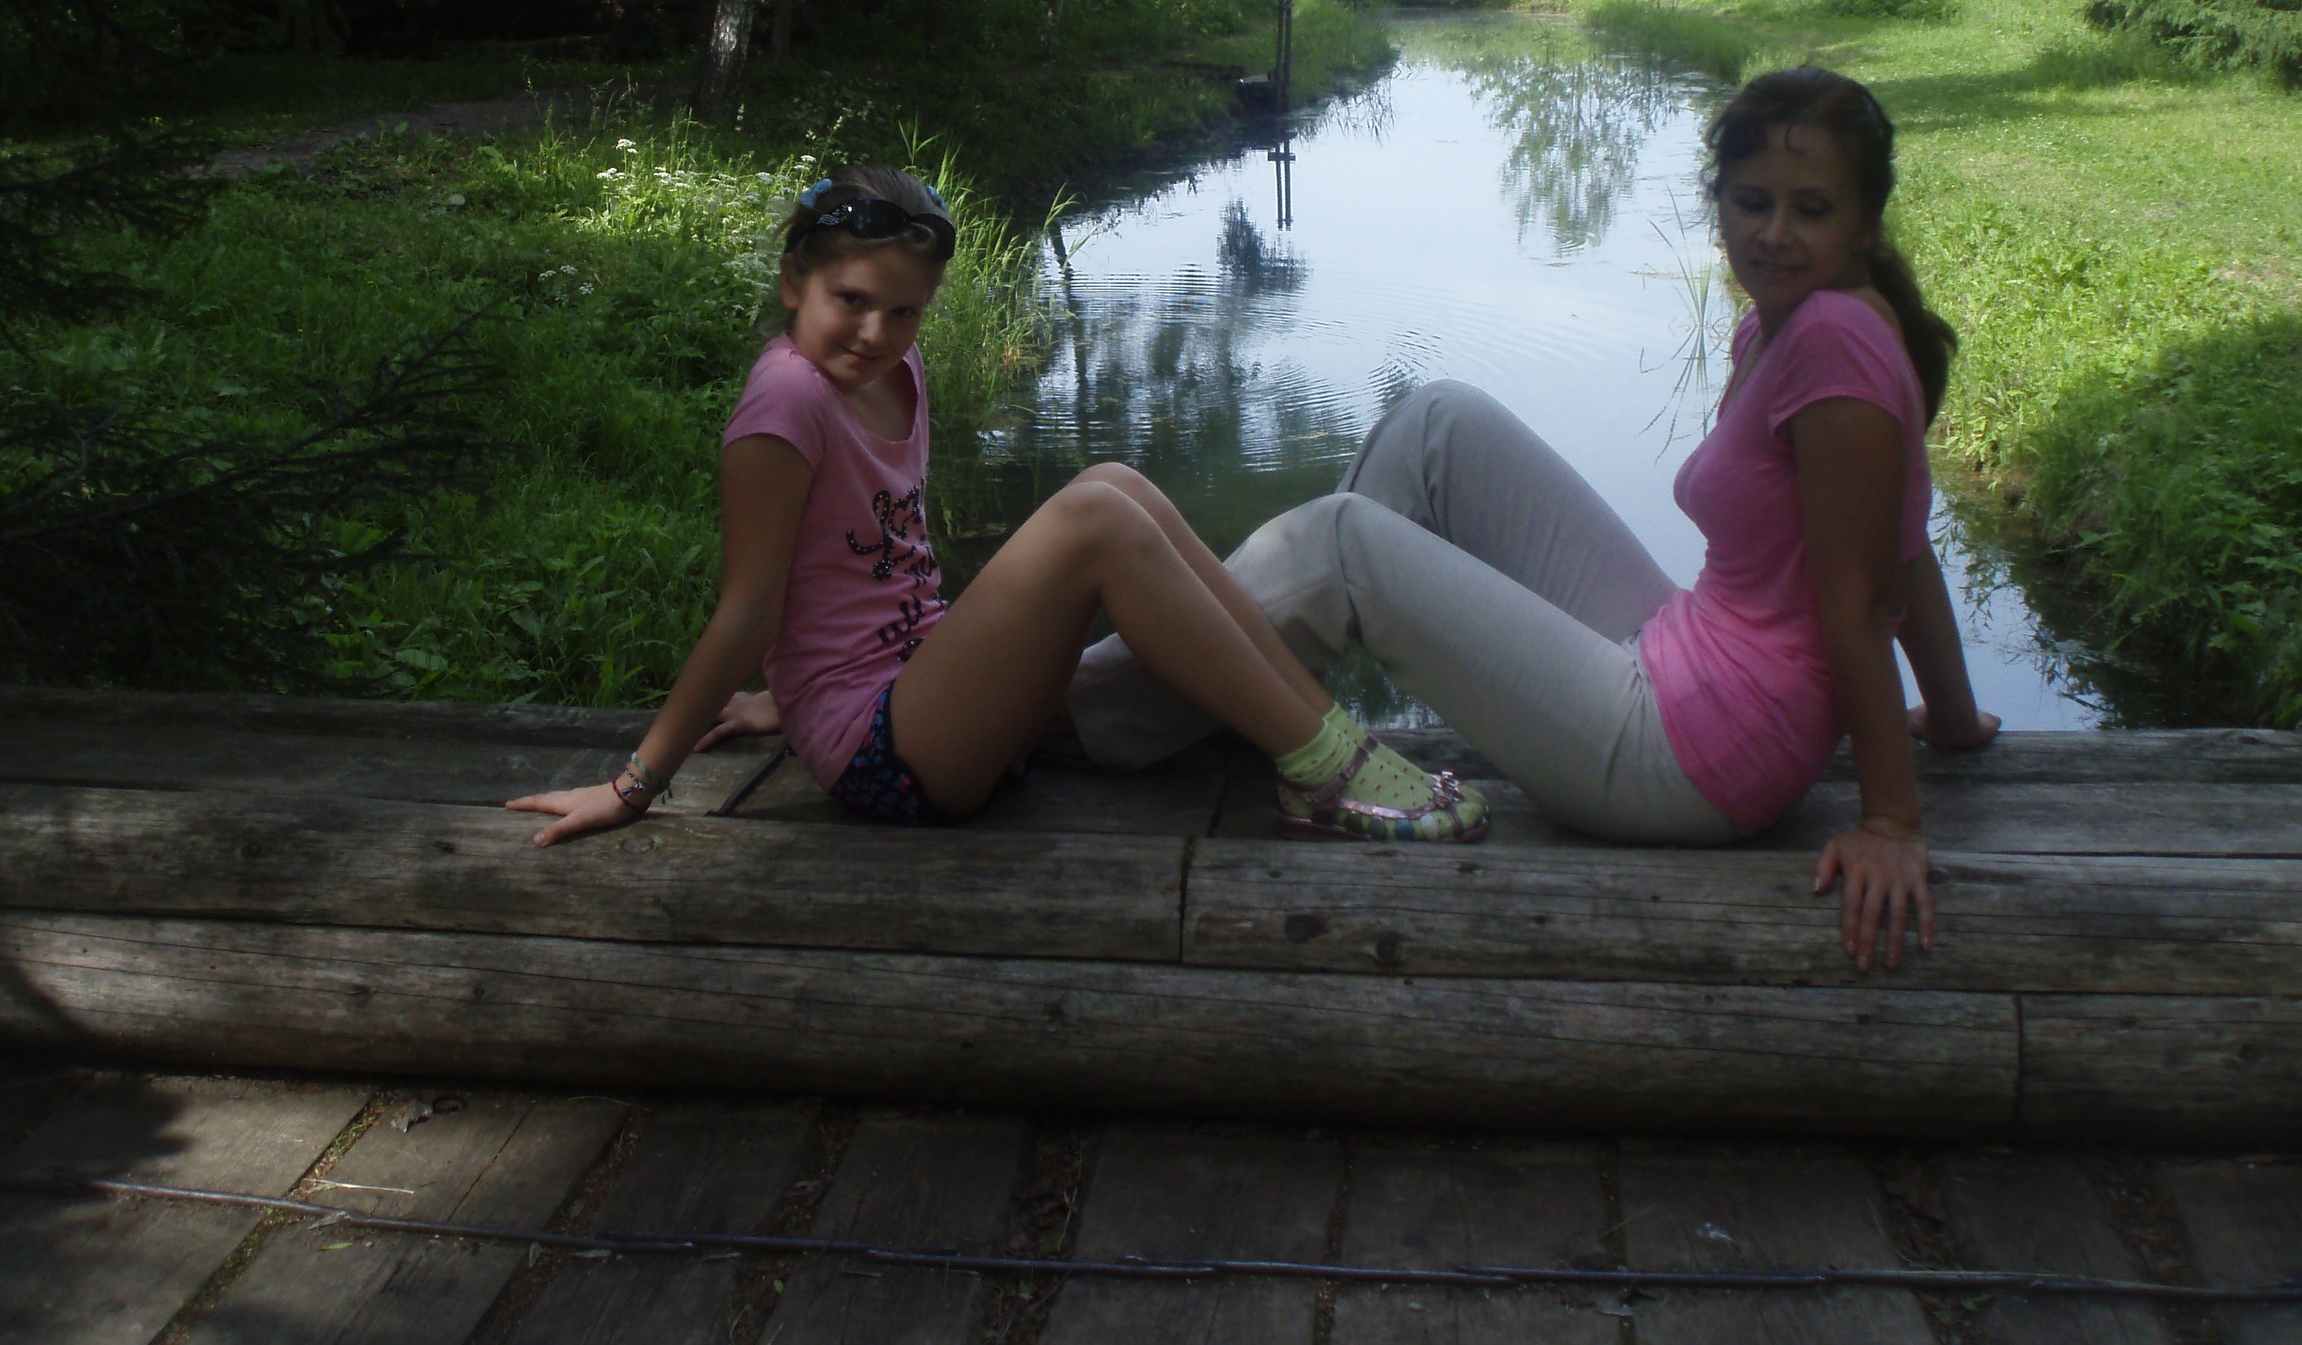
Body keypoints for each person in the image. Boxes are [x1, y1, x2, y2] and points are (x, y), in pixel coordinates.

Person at [1066, 67, 1998, 970]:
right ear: (1717, 201)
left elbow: (1863, 595)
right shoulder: (1785, 321)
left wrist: (1890, 820)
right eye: (1753, 202)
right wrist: (1953, 719)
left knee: (1342, 544)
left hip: (1695, 760)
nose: (1776, 233)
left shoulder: (1835, 340)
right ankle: (1222, 685)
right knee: (1438, 425)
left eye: (1813, 209)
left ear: (1865, 222)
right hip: (1681, 657)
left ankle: (1078, 714)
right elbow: (1907, 540)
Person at [507, 164, 1487, 850]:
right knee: (1095, 520)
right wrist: (635, 784)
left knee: (1116, 483)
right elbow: (746, 609)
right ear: (793, 281)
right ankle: (1323, 766)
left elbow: (865, 563)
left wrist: (787, 694)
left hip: (925, 688)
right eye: (850, 300)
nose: (876, 332)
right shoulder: (785, 406)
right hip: (886, 760)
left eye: (904, 311)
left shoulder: (896, 371)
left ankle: (1326, 742)